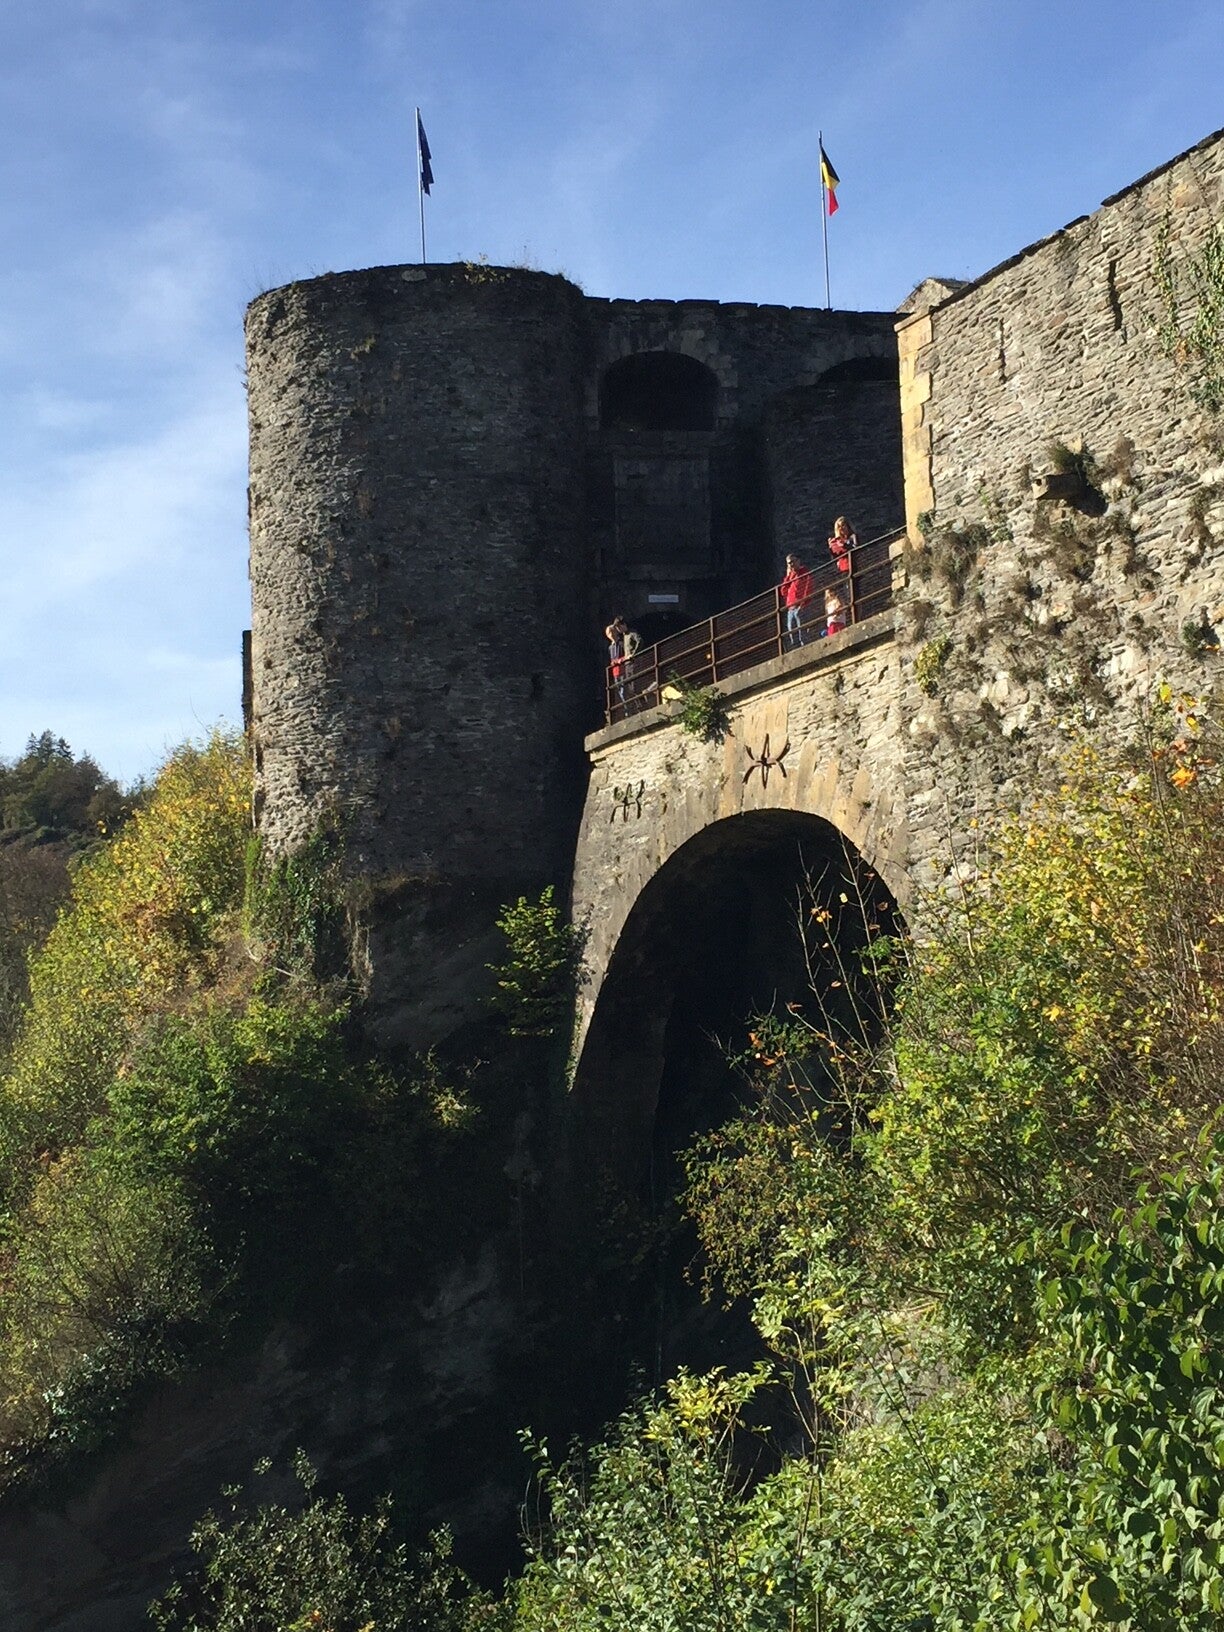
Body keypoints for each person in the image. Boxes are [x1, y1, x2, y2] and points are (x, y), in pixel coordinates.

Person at [781, 554, 813, 648]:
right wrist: (787, 577)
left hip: (801, 606)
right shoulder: (790, 576)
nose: (791, 564)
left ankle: (806, 649)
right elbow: (783, 591)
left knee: (802, 632)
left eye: (793, 561)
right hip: (791, 607)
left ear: (798, 561)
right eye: (789, 563)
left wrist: (803, 603)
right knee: (792, 631)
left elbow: (808, 587)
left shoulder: (804, 572)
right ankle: (795, 648)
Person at [605, 616, 628, 710]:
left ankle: (630, 710)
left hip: (623, 670)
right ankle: (626, 710)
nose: (610, 635)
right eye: (608, 633)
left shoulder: (622, 643)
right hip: (615, 672)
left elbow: (627, 654)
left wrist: (620, 660)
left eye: (611, 632)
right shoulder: (610, 648)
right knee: (620, 692)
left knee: (625, 691)